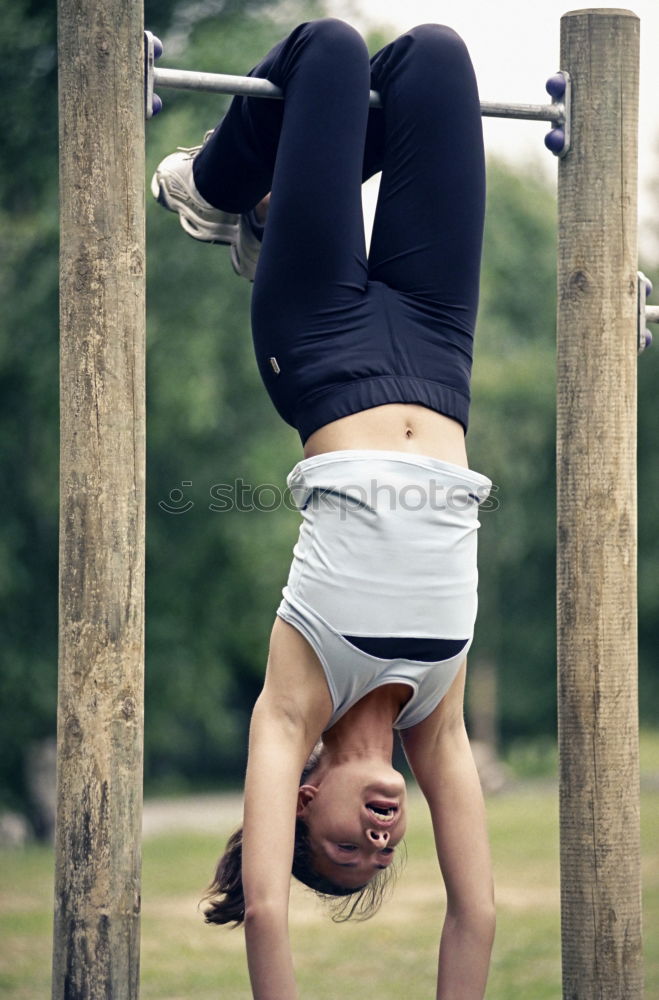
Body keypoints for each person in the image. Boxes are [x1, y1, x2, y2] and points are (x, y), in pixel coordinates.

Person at [151, 18, 496, 999]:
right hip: (436, 355)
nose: (378, 842)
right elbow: (475, 915)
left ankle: (213, 191)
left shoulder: (291, 702)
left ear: (301, 800)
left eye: (343, 849)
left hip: (319, 348)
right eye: (382, 857)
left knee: (331, 52)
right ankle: (271, 193)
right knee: (433, 56)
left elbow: (265, 911)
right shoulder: (436, 717)